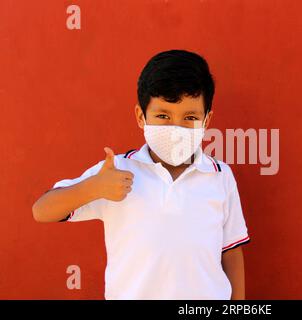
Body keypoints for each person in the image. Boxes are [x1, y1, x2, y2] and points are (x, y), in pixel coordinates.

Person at [32, 49, 251, 300]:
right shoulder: (116, 172)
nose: (175, 128)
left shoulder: (220, 176)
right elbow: (42, 210)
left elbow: (231, 252)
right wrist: (94, 187)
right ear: (140, 116)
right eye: (162, 116)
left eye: (190, 117)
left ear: (206, 120)